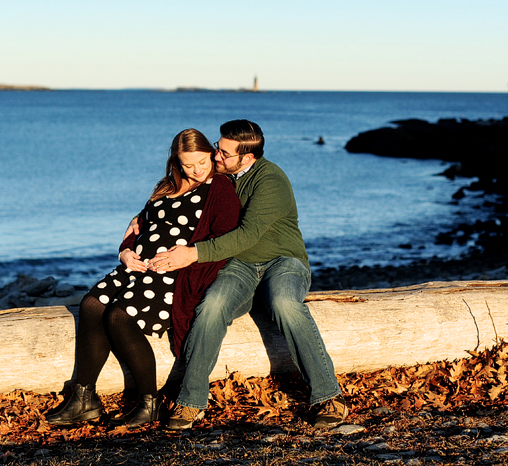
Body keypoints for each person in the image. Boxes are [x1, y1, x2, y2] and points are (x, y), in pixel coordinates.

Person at [147, 120, 347, 430]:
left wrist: (194, 253)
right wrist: (139, 220)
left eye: (224, 153)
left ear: (247, 157)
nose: (216, 156)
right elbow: (175, 195)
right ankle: (191, 402)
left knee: (284, 303)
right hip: (239, 265)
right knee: (211, 306)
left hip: (282, 261)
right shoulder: (218, 175)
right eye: (217, 147)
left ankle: (327, 395)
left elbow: (248, 234)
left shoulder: (270, 180)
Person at [45, 129, 240, 428]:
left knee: (118, 316)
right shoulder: (165, 186)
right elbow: (139, 227)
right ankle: (84, 399)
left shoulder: (219, 188)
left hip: (173, 275)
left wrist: (184, 260)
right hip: (135, 267)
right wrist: (125, 253)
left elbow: (224, 240)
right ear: (176, 162)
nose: (198, 169)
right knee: (91, 305)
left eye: (202, 161)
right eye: (189, 164)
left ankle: (150, 402)